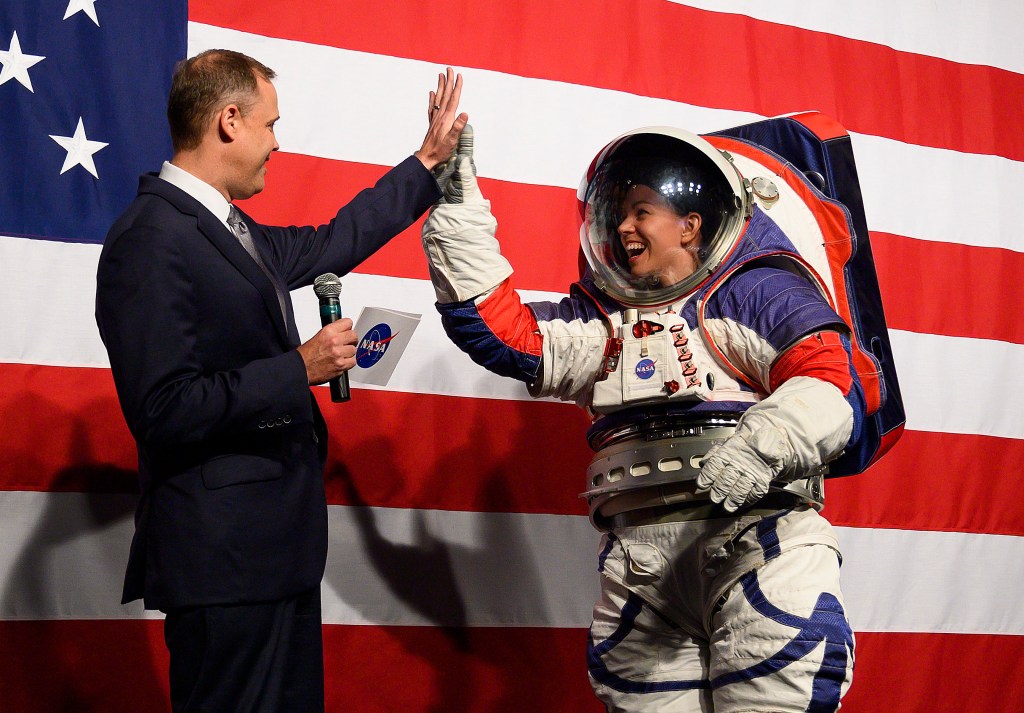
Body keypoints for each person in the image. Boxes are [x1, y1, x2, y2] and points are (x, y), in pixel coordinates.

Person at [420, 127, 865, 712]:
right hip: (641, 567)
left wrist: (761, 447)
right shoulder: (601, 324)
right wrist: (457, 209)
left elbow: (831, 383)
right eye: (618, 213)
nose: (624, 227)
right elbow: (503, 334)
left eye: (642, 212)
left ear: (691, 224)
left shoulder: (757, 293)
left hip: (757, 550)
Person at [94, 49, 467, 713]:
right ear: (229, 121)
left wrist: (427, 165)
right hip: (223, 566)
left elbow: (334, 240)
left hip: (273, 557)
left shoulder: (233, 232)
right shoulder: (150, 238)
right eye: (270, 125)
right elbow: (163, 407)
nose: (277, 143)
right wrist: (300, 368)